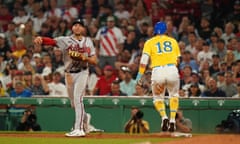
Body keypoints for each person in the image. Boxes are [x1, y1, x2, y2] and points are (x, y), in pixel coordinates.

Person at [34, 19, 97, 137]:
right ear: (72, 28)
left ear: (83, 28)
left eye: (80, 25)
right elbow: (51, 41)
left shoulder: (88, 41)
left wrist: (84, 58)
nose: (77, 27)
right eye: (75, 25)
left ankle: (78, 129)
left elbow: (94, 61)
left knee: (78, 99)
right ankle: (85, 117)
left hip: (83, 72)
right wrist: (41, 39)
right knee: (74, 104)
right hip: (69, 74)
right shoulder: (65, 40)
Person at [136, 21, 181, 132]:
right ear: (166, 30)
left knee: (157, 98)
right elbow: (178, 60)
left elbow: (143, 61)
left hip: (157, 71)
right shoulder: (173, 41)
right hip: (172, 69)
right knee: (174, 95)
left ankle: (164, 117)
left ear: (154, 31)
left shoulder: (149, 42)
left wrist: (139, 76)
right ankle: (172, 121)